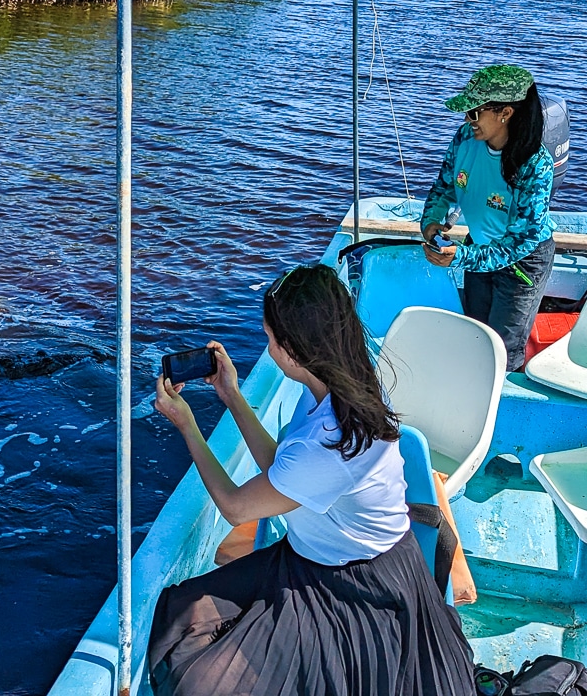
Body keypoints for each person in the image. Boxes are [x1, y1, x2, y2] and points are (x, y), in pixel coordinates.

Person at [148, 264, 476, 696]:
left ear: (292, 351)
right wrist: (231, 394)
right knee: (184, 619)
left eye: (269, 339)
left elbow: (235, 507)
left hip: (357, 589)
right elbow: (286, 473)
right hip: (325, 558)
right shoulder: (345, 381)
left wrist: (187, 425)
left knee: (200, 678)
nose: (267, 348)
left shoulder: (330, 441)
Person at [421, 64, 555, 371]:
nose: (467, 121)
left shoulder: (536, 166)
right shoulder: (465, 138)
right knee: (476, 337)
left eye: (473, 113)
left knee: (502, 352)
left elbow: (518, 243)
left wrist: (461, 257)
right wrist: (431, 222)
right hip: (479, 249)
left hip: (521, 263)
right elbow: (443, 188)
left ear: (505, 113)